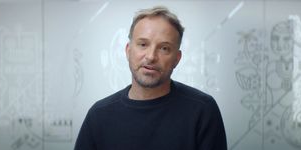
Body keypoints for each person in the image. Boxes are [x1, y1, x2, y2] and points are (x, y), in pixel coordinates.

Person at [74, 6, 227, 150]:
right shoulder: (99, 115)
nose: (151, 56)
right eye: (143, 44)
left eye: (164, 48)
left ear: (177, 59)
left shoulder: (203, 110)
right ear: (128, 51)